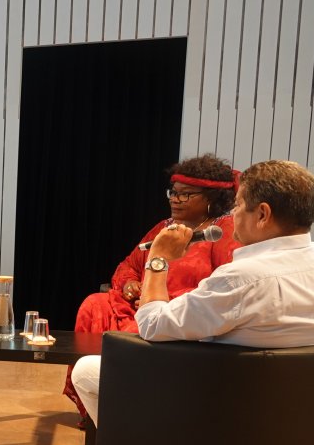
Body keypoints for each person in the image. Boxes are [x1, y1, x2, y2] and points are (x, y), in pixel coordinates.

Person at [72, 159, 314, 429]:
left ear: (262, 215)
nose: (233, 213)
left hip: (222, 403)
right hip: (304, 413)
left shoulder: (241, 278)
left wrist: (158, 259)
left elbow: (152, 325)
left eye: (238, 205)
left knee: (88, 371)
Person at [64, 154, 241, 423]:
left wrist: (161, 300)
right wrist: (131, 285)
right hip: (140, 306)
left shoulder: (222, 233)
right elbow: (129, 264)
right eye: (173, 193)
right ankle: (95, 404)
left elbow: (219, 287)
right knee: (94, 304)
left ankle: (128, 407)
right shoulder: (164, 228)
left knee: (129, 333)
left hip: (180, 317)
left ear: (212, 198)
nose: (175, 199)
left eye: (186, 195)